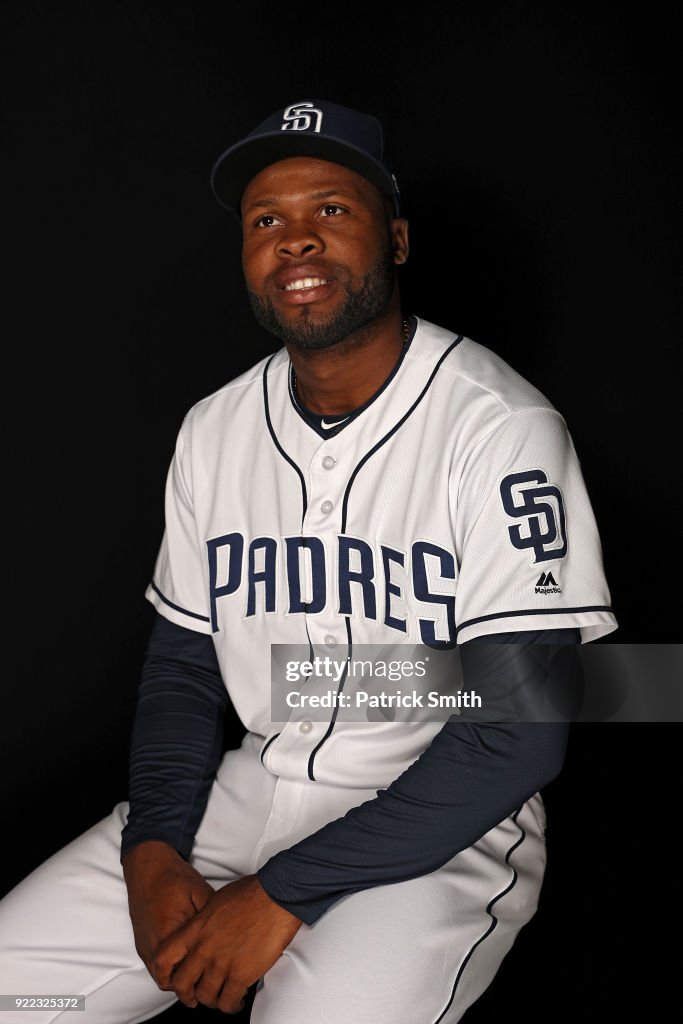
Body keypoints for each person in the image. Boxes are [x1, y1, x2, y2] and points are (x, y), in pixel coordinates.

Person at [0, 99, 617, 1023]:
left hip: (440, 828)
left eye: (331, 209)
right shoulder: (213, 429)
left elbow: (515, 730)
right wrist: (155, 850)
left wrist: (281, 892)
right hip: (246, 790)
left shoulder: (500, 429)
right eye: (266, 221)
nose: (296, 240)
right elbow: (182, 669)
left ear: (396, 240)